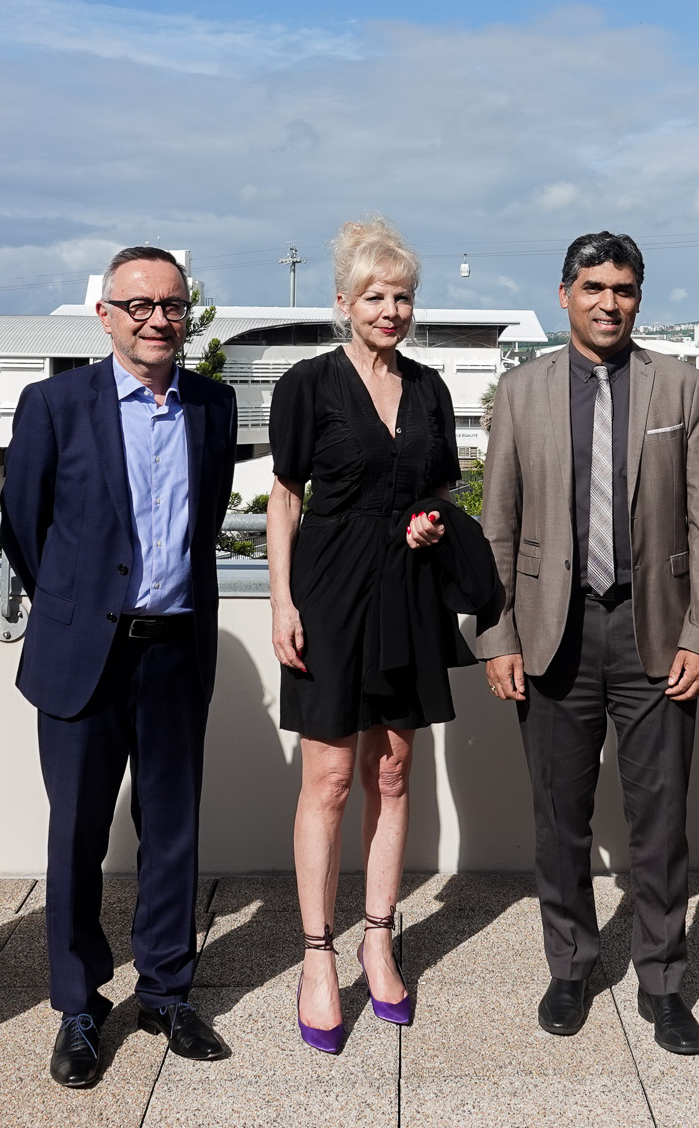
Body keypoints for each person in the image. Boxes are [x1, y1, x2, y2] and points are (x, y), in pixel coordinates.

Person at [477, 232, 699, 1056]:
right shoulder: (520, 390)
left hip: (657, 632)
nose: (609, 301)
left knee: (660, 821)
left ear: (639, 297)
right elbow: (498, 526)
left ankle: (661, 980)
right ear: (564, 294)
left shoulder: (682, 385)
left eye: (624, 287)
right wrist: (497, 635)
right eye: (593, 286)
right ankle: (572, 964)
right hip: (554, 633)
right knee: (560, 819)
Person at [1, 247, 239, 1090]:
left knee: (172, 827)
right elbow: (23, 528)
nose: (156, 318)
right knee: (77, 832)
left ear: (186, 314)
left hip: (175, 646)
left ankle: (166, 990)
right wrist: (74, 610)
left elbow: (204, 518)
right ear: (106, 313)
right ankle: (77, 1003)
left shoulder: (213, 403)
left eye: (171, 304)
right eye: (138, 304)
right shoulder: (54, 403)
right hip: (81, 654)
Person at [267, 219, 490, 1050]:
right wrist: (281, 604)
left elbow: (438, 488)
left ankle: (379, 934)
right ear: (343, 303)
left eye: (401, 296)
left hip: (408, 593)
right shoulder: (307, 384)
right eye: (375, 296)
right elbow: (285, 500)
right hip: (326, 594)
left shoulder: (431, 387)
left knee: (392, 770)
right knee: (327, 778)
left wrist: (431, 519)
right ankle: (318, 955)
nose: (390, 308)